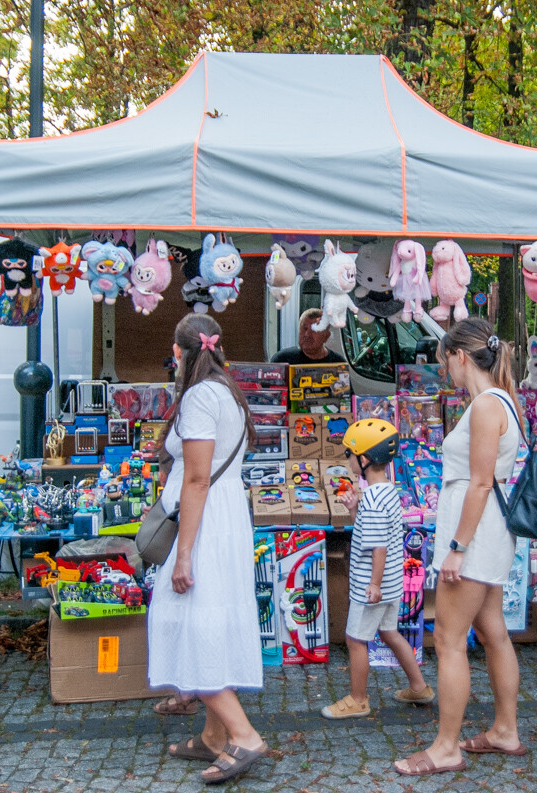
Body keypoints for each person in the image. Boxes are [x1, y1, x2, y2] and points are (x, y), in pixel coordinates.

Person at [395, 317, 524, 777]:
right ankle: (505, 730)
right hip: (486, 535)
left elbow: (481, 483)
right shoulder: (500, 401)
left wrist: (456, 547)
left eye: (444, 360)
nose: (444, 370)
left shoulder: (488, 406)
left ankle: (446, 746)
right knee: (492, 632)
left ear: (459, 356)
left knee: (449, 640)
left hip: (475, 536)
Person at [147, 313, 268, 784]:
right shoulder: (228, 392)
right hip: (225, 517)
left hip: (204, 524)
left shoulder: (198, 397)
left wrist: (182, 554)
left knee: (188, 623)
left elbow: (197, 478)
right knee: (214, 619)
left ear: (179, 353)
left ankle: (243, 734)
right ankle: (214, 736)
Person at [321, 418, 433, 719]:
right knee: (389, 632)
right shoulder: (386, 493)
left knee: (356, 639)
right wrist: (354, 509)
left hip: (371, 586)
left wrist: (373, 584)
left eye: (349, 454)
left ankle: (358, 699)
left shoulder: (372, 498)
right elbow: (373, 533)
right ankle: (419, 686)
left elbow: (378, 546)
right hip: (392, 583)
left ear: (365, 458)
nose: (347, 460)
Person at [271, 308, 346, 365]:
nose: (307, 334)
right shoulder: (282, 360)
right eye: (304, 328)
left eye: (314, 329)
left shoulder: (337, 363)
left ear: (326, 336)